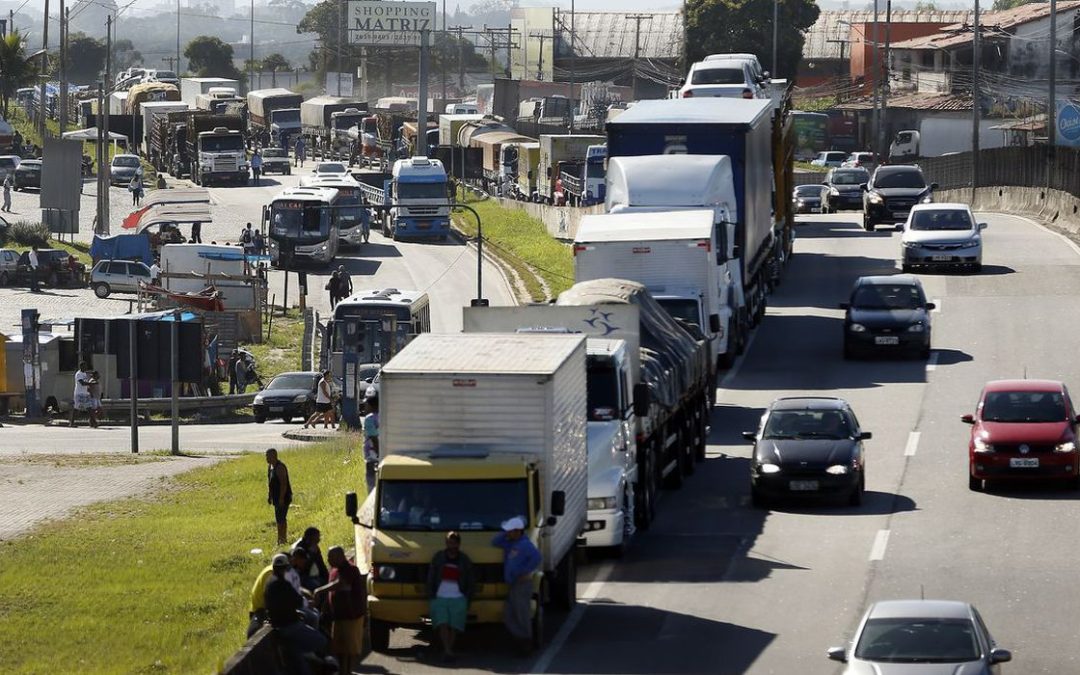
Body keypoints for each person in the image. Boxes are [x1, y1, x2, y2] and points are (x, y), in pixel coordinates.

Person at [264, 552, 332, 675]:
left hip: (280, 625)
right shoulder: (283, 584)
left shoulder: (269, 583)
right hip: (290, 625)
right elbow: (297, 601)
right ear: (286, 567)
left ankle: (305, 657)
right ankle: (311, 657)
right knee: (321, 641)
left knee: (297, 658)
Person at [492, 516, 541, 655]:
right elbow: (495, 541)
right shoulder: (510, 543)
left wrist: (526, 572)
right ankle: (523, 639)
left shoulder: (525, 545)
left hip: (522, 584)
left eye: (510, 531)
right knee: (509, 615)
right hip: (513, 584)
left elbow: (537, 558)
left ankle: (527, 642)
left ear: (518, 531)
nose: (507, 533)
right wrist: (505, 532)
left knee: (522, 614)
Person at [313, 546, 366, 675]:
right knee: (340, 649)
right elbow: (332, 593)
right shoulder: (334, 570)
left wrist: (319, 590)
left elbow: (341, 584)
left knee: (350, 649)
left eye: (330, 557)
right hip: (338, 616)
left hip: (351, 616)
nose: (328, 560)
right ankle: (343, 671)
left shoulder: (351, 569)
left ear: (340, 557)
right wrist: (325, 608)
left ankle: (348, 671)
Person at [427, 531, 474, 662]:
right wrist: (431, 594)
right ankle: (447, 650)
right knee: (442, 623)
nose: (451, 545)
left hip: (458, 597)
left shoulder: (464, 559)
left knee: (454, 625)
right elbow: (431, 576)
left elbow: (470, 580)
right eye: (448, 542)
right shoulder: (438, 557)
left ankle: (448, 649)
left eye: (453, 543)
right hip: (440, 596)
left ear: (458, 544)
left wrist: (468, 597)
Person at [266, 448, 293, 545]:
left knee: (281, 519)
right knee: (278, 518)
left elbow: (284, 484)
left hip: (283, 497)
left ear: (274, 456)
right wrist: (269, 496)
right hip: (276, 497)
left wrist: (281, 498)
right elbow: (270, 482)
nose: (266, 458)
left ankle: (283, 539)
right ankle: (280, 539)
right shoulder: (270, 467)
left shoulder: (280, 467)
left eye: (268, 456)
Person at [292, 527, 329, 591]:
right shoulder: (298, 549)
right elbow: (302, 568)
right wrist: (312, 554)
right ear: (309, 539)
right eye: (317, 539)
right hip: (297, 577)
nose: (319, 540)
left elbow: (321, 564)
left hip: (309, 574)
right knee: (317, 585)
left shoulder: (313, 546)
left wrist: (328, 578)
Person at [70, 363, 98, 428]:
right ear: (81, 367)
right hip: (79, 394)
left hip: (85, 393)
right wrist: (91, 383)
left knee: (89, 408)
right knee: (76, 408)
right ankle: (72, 423)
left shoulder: (84, 374)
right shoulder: (78, 374)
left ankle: (94, 423)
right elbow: (82, 383)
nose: (86, 367)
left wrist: (89, 390)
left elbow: (86, 383)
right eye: (85, 366)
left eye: (86, 366)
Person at [362, 395, 380, 493]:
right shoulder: (383, 416)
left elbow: (373, 437)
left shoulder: (369, 419)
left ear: (371, 406)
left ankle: (372, 498)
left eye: (367, 404)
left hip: (372, 455)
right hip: (383, 454)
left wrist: (378, 452)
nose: (365, 406)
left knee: (371, 482)